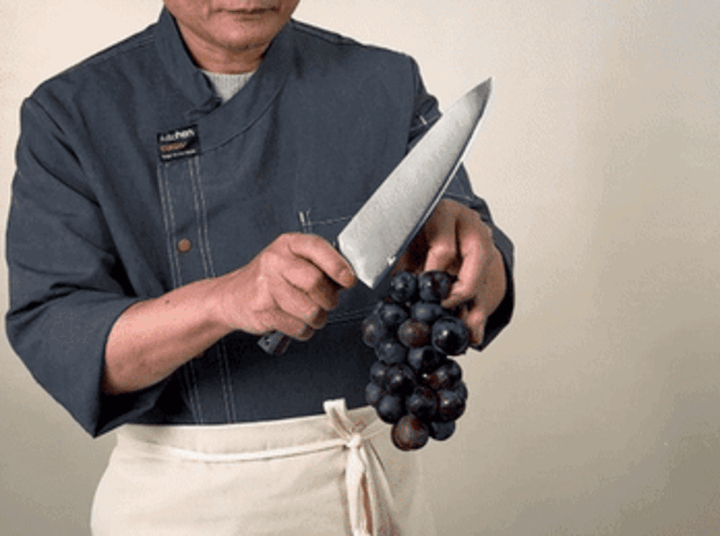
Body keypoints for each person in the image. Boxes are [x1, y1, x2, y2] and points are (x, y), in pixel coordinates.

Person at [5, 1, 514, 534]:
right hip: (190, 510)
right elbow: (62, 340)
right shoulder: (71, 114)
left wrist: (475, 260)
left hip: (378, 497)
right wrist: (225, 300)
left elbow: (481, 279)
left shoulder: (386, 82)